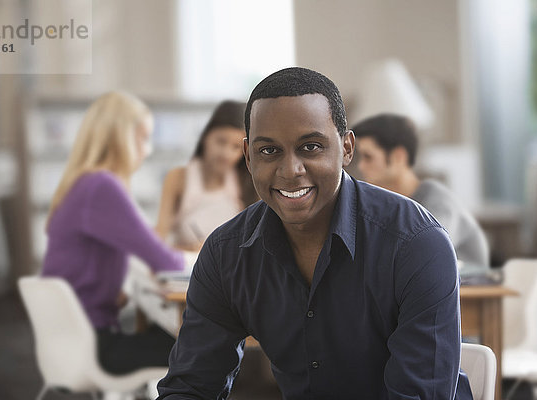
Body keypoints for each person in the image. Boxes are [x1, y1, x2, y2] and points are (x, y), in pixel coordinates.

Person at [157, 68, 473, 399]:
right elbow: (190, 386)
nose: (291, 170)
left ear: (347, 149)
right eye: (269, 151)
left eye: (310, 147)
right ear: (248, 157)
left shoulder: (416, 244)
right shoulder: (226, 254)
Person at [41, 91, 185, 375]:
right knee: (207, 348)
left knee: (177, 333)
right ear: (123, 138)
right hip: (93, 345)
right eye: (144, 138)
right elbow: (167, 262)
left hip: (72, 341)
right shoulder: (102, 187)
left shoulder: (82, 184)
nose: (148, 150)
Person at [352, 114, 490, 267]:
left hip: (469, 288)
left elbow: (424, 253)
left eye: (368, 157)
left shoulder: (437, 202)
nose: (361, 166)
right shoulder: (388, 204)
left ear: (399, 156)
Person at [155, 100, 259, 252]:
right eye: (221, 141)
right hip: (187, 269)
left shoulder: (249, 182)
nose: (226, 154)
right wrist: (190, 249)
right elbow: (158, 242)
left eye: (236, 147)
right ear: (206, 136)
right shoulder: (178, 178)